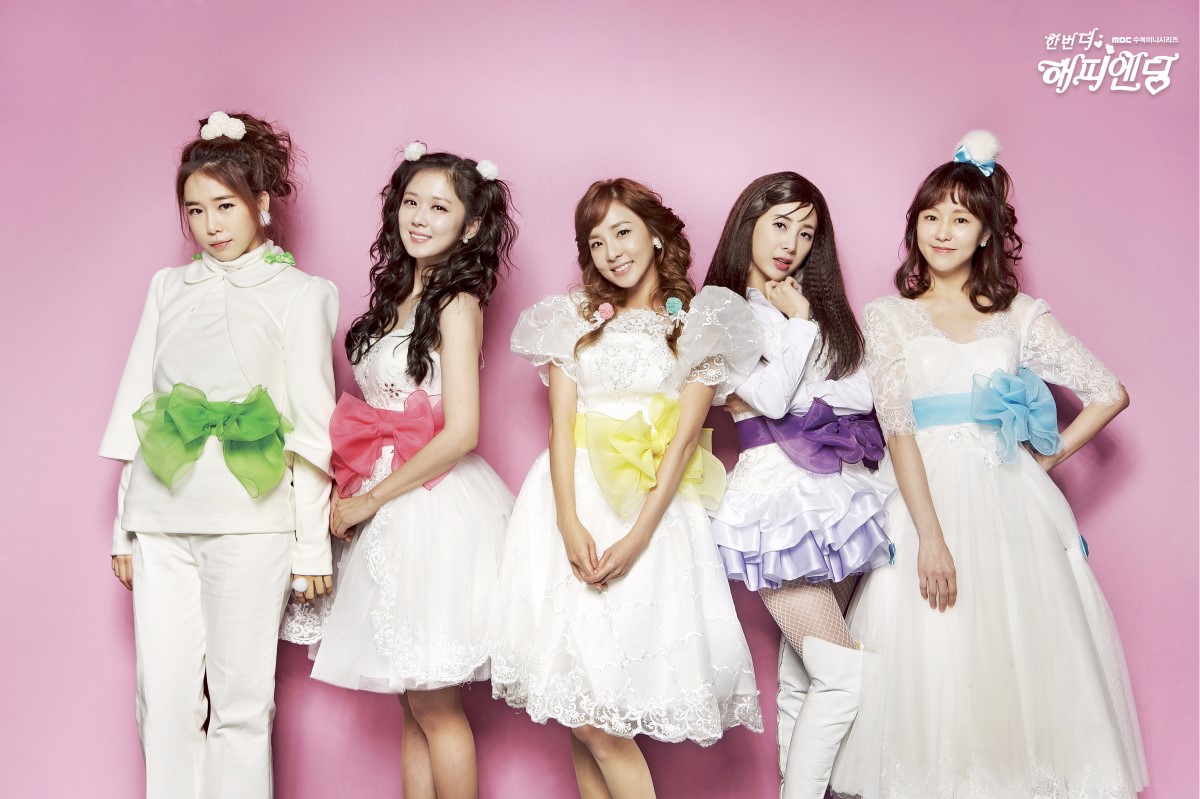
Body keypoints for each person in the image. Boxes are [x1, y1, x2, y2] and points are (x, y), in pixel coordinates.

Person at [829, 131, 1148, 798]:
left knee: (1013, 659)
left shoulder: (1019, 316)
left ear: (985, 235)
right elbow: (898, 429)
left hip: (1008, 508)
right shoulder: (888, 318)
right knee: (935, 658)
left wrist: (1040, 461)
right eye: (931, 216)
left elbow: (1108, 391)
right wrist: (931, 536)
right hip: (922, 504)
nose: (942, 231)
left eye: (961, 218)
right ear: (914, 225)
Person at [492, 178, 764, 798]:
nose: (612, 251)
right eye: (597, 242)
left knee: (603, 708)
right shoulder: (575, 320)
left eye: (623, 232)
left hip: (650, 510)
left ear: (656, 235)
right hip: (570, 500)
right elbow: (561, 428)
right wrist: (567, 520)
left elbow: (683, 444)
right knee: (579, 701)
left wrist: (638, 537)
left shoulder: (697, 324)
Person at [99, 111, 338, 798]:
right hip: (161, 519)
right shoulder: (166, 288)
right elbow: (140, 407)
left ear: (261, 202)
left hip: (251, 520)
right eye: (196, 210)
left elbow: (312, 427)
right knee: (163, 701)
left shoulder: (302, 294)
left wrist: (311, 545)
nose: (210, 225)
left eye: (225, 205)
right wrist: (124, 526)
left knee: (241, 705)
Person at [307, 143, 517, 799]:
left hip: (429, 505)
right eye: (411, 202)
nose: (419, 218)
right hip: (383, 497)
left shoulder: (458, 302)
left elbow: (462, 431)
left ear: (472, 225)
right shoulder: (400, 293)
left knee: (434, 701)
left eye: (439, 207)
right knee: (410, 699)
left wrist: (368, 502)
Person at [703, 172, 893, 798]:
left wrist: (803, 368)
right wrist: (802, 324)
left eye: (806, 233)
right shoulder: (721, 312)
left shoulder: (811, 306)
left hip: (837, 493)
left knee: (804, 677)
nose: (791, 243)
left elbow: (867, 390)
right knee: (843, 674)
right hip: (775, 500)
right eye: (780, 224)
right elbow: (768, 397)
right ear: (748, 224)